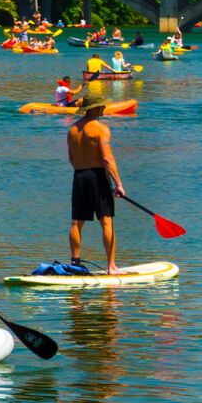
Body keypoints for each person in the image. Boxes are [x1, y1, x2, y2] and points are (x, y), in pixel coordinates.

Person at [66, 94, 126, 274]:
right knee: (107, 222)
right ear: (94, 109)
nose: (104, 109)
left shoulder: (72, 130)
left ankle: (75, 264)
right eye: (101, 106)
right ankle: (111, 266)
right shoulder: (101, 129)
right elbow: (107, 158)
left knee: (77, 222)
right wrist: (118, 184)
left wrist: (82, 171)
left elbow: (71, 158)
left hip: (79, 176)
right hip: (98, 177)